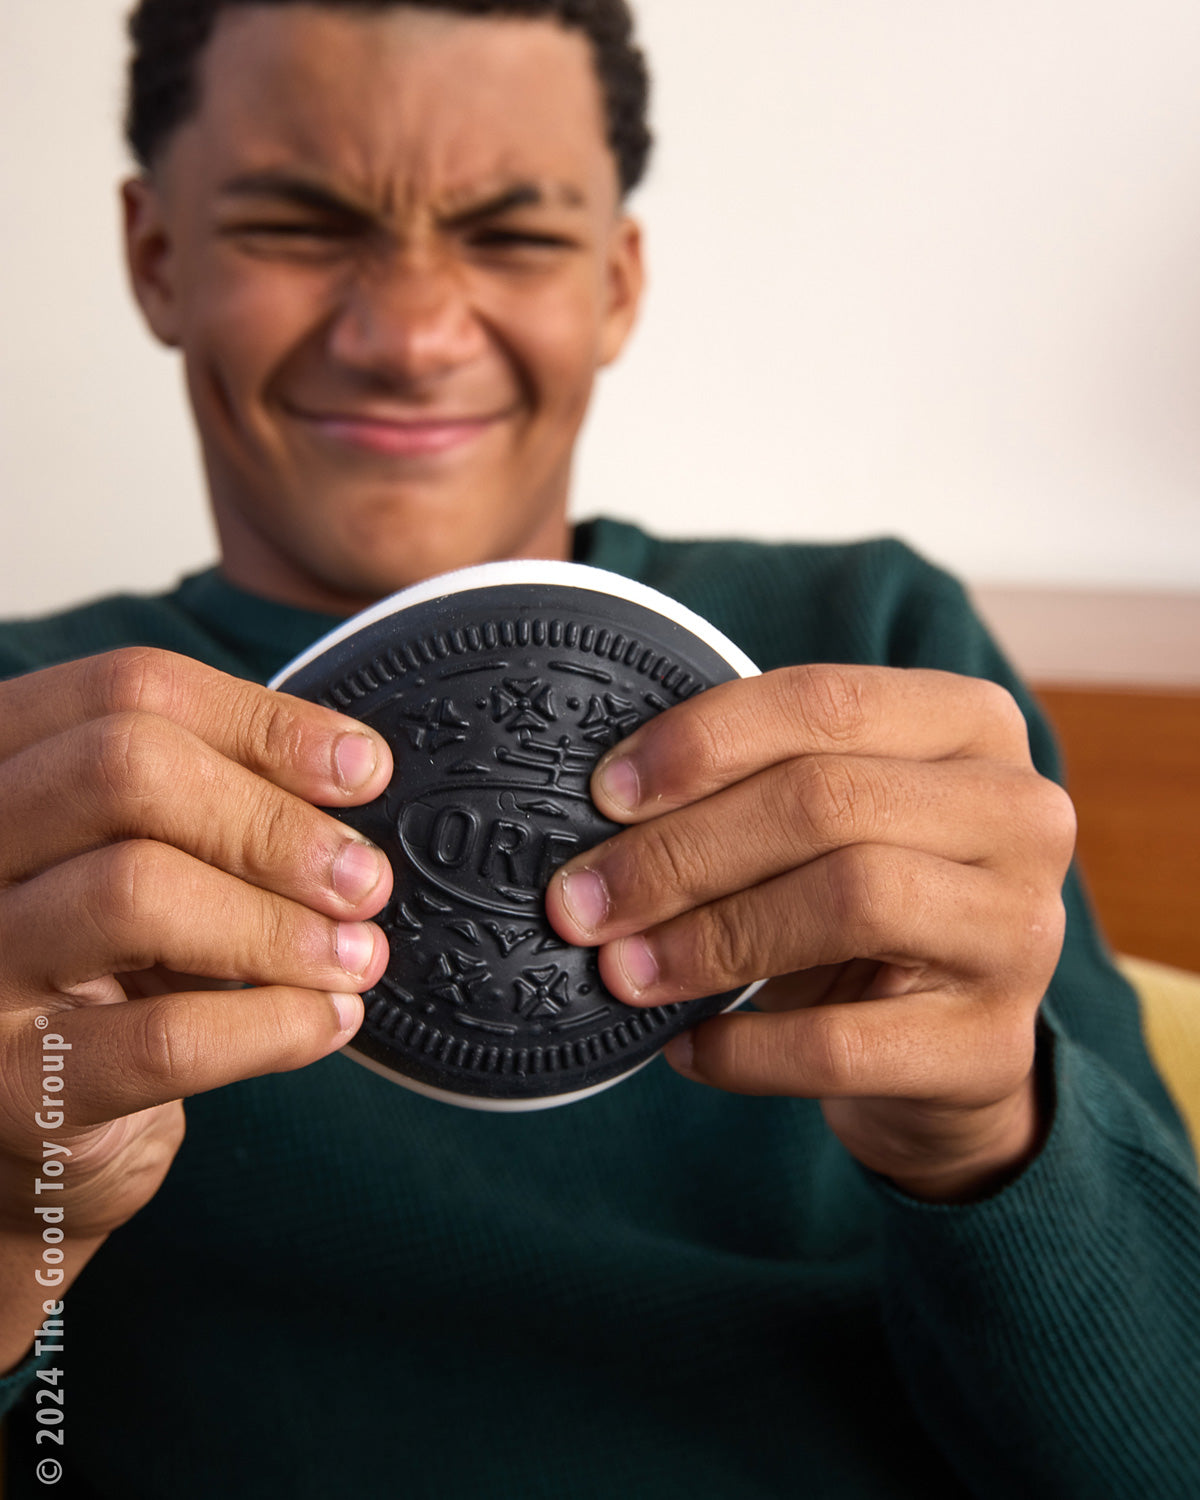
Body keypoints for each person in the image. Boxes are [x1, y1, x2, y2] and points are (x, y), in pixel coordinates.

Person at [0, 1, 1197, 1495]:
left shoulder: (873, 652)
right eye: (300, 226)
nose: (413, 333)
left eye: (511, 236)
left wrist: (993, 1137)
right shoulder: (27, 761)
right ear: (156, 255)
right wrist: (12, 1218)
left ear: (617, 282)